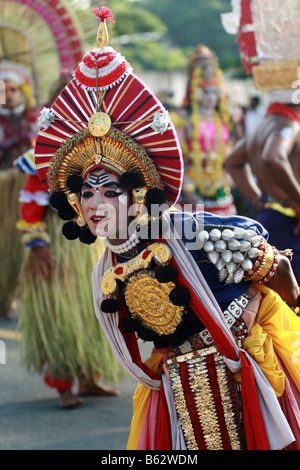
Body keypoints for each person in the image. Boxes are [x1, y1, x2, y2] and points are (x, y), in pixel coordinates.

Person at [33, 7, 300, 449]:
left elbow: (273, 267)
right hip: (180, 388)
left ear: (138, 194)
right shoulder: (107, 269)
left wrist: (265, 309)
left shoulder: (189, 233)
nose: (95, 203)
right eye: (85, 192)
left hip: (243, 374)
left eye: (108, 191)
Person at [15, 73, 122, 408]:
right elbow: (30, 206)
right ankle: (63, 384)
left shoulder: (101, 146)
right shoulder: (44, 150)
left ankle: (89, 378)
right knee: (61, 315)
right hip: (60, 243)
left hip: (95, 242)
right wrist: (38, 246)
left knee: (96, 309)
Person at [225, 90, 300, 284]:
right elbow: (273, 157)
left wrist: (257, 198)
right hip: (289, 222)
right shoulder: (289, 124)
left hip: (269, 216)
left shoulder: (263, 126)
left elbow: (232, 162)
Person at [172, 45, 236, 216]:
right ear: (197, 93)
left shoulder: (223, 120)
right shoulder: (183, 120)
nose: (210, 98)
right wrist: (188, 186)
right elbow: (179, 158)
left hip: (219, 186)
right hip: (191, 186)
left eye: (214, 93)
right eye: (205, 93)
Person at [0, 61, 39, 317]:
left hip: (31, 190)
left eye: (13, 89)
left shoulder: (36, 116)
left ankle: (23, 295)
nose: (8, 94)